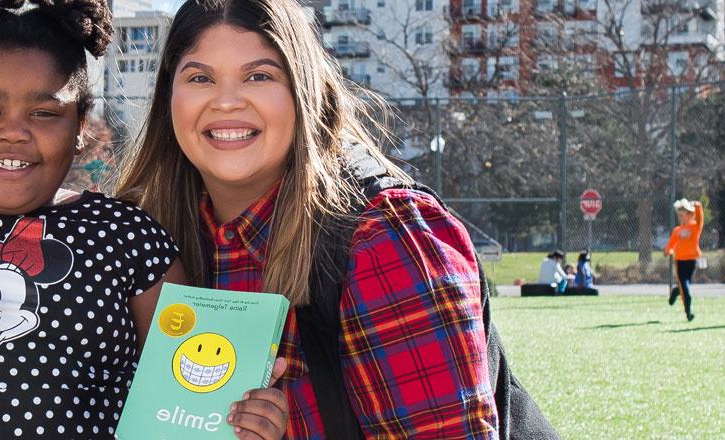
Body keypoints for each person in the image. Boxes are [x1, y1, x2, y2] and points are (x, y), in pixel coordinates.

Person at [0, 2, 286, 438]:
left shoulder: (128, 238)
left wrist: (242, 424)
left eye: (45, 113)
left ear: (80, 129)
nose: (13, 131)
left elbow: (189, 407)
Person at [111, 0, 499, 436]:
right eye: (200, 78)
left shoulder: (383, 235)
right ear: (168, 97)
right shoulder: (143, 239)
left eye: (259, 76)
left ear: (304, 90)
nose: (226, 102)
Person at [664, 199, 704, 321]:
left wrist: (698, 207)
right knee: (685, 286)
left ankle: (676, 291)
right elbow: (671, 244)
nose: (681, 218)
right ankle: (688, 312)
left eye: (683, 215)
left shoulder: (695, 227)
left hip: (691, 260)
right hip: (680, 261)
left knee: (684, 284)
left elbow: (700, 219)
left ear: (690, 215)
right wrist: (669, 250)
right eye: (679, 215)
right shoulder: (677, 230)